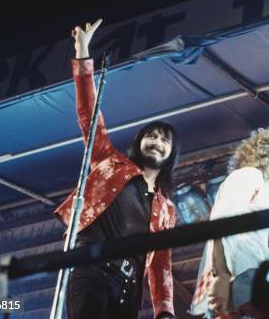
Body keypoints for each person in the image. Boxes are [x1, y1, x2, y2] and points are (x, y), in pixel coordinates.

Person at [54, 19, 178, 319]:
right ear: (139, 141)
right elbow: (88, 114)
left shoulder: (167, 210)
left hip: (129, 289)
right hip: (91, 268)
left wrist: (165, 310)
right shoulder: (110, 162)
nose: (157, 142)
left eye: (165, 140)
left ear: (172, 153)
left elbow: (161, 262)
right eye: (152, 135)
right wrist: (82, 51)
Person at [189, 127, 269, 318]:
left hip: (245, 278)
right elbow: (220, 223)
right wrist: (221, 275)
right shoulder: (249, 175)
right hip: (240, 277)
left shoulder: (257, 189)